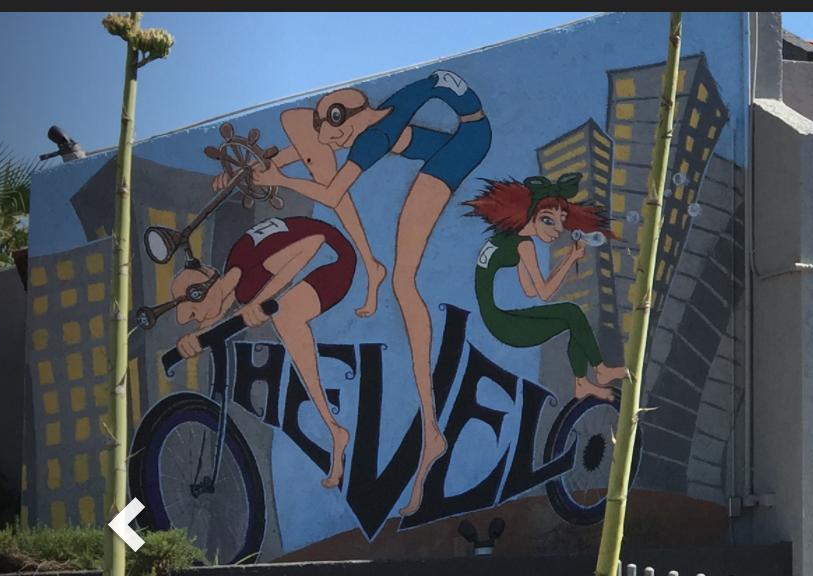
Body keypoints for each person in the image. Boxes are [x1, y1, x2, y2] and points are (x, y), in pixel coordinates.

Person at [252, 68, 492, 517]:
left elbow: (330, 192)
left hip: (466, 144)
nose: (335, 148)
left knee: (404, 281)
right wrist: (277, 163)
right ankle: (434, 431)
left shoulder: (372, 139)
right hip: (448, 133)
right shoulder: (385, 115)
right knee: (398, 152)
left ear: (349, 121)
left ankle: (432, 431)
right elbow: (320, 148)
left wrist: (280, 181)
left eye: (336, 139)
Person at [171, 215, 356, 488]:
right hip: (313, 264)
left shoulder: (249, 265)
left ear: (206, 286)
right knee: (285, 316)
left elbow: (314, 243)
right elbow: (219, 316)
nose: (196, 318)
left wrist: (258, 303)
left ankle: (334, 429)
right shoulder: (236, 282)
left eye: (195, 307)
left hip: (332, 259)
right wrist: (195, 338)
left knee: (286, 316)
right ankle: (334, 429)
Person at [462, 173, 624, 402]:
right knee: (572, 313)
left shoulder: (507, 238)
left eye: (562, 220)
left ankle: (584, 382)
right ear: (531, 216)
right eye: (548, 220)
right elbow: (545, 293)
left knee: (571, 317)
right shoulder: (524, 245)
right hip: (505, 324)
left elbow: (530, 290)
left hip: (498, 319)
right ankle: (598, 370)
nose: (558, 229)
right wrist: (570, 258)